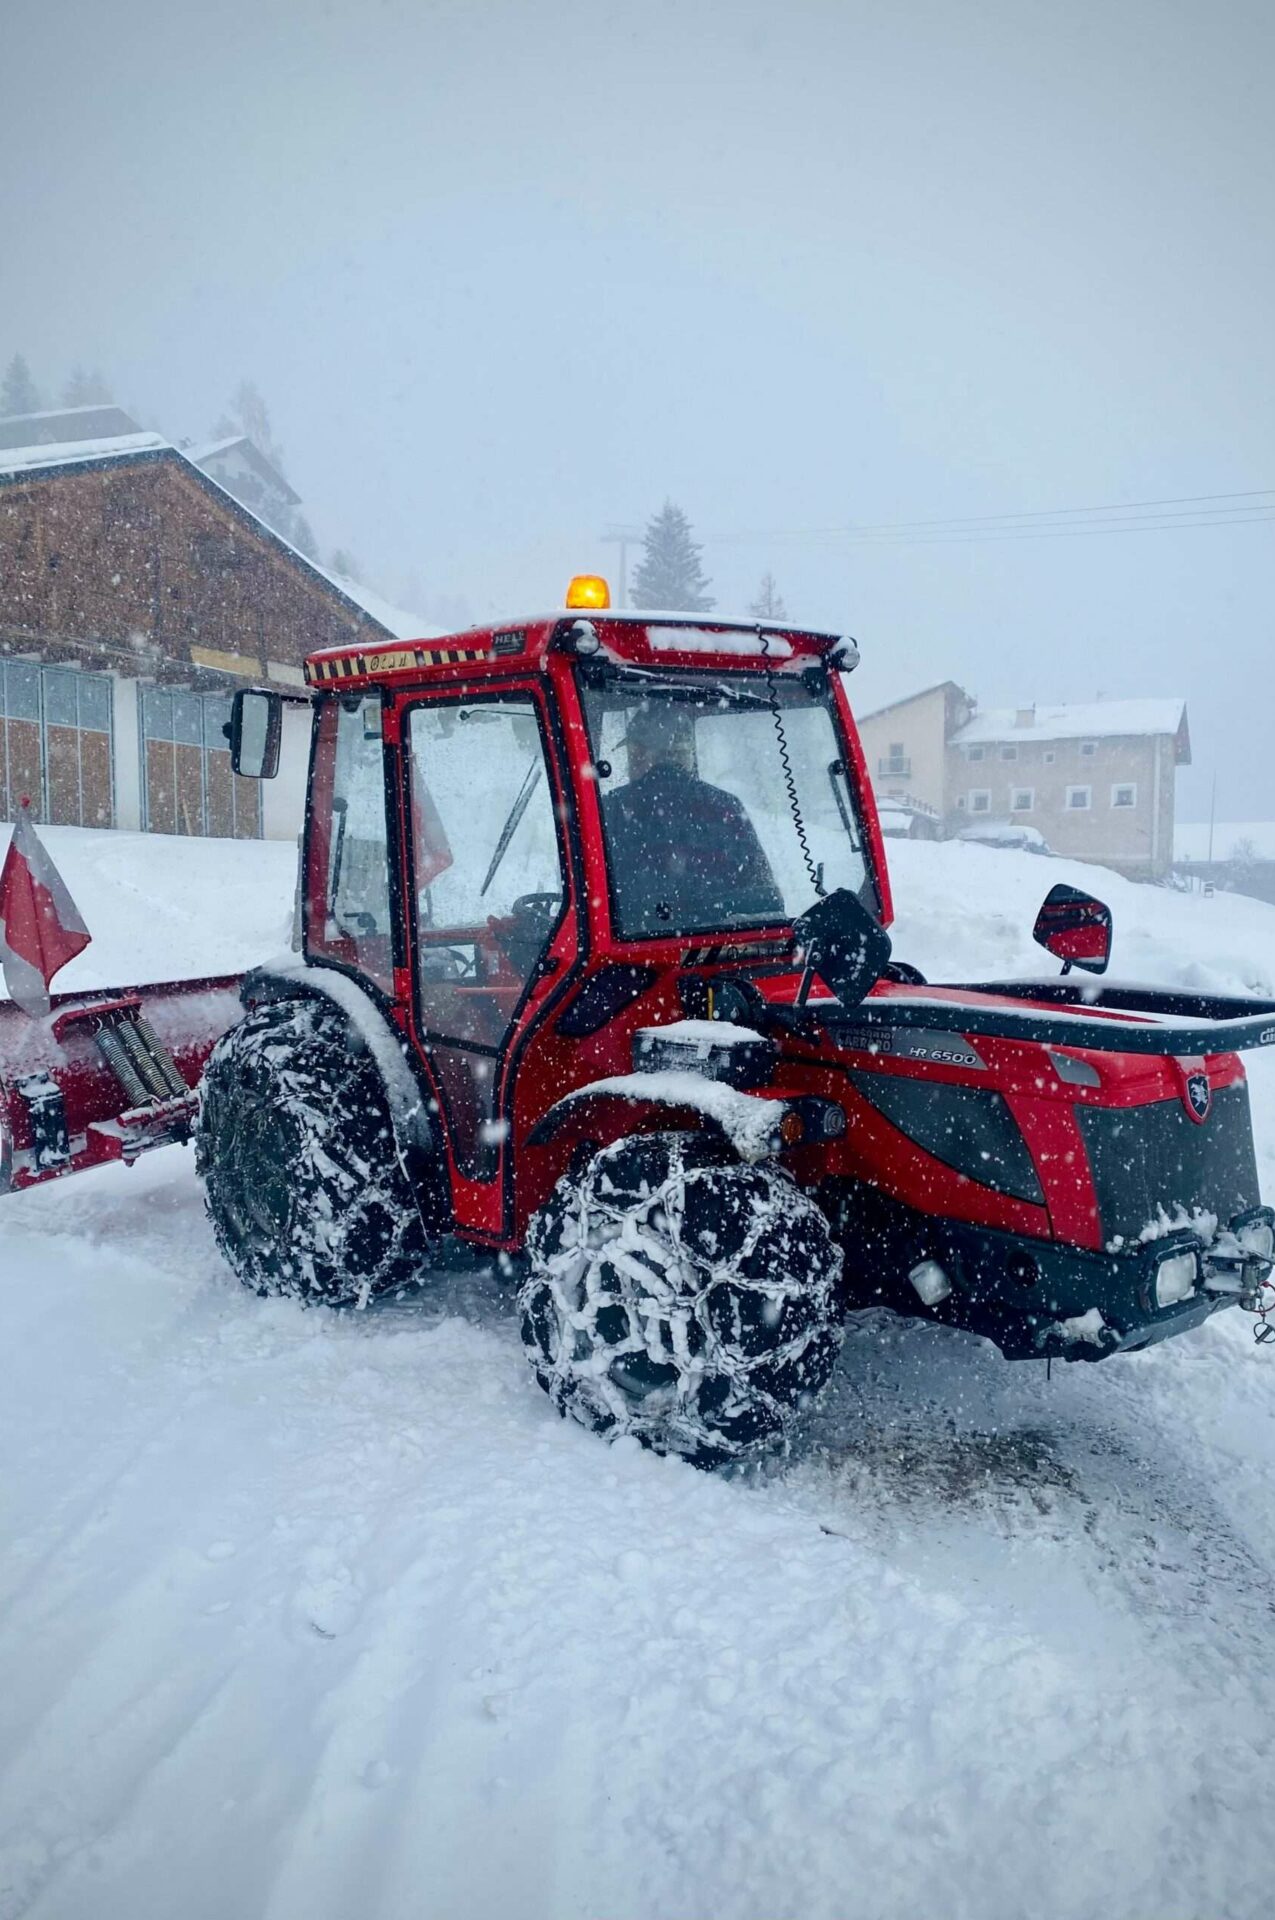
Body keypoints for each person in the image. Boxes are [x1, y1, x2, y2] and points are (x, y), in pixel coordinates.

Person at [602, 703, 784, 933]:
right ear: (686, 755)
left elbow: (598, 901)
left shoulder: (614, 808)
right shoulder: (726, 807)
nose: (632, 763)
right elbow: (766, 896)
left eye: (633, 754)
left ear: (641, 754)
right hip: (727, 950)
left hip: (634, 955)